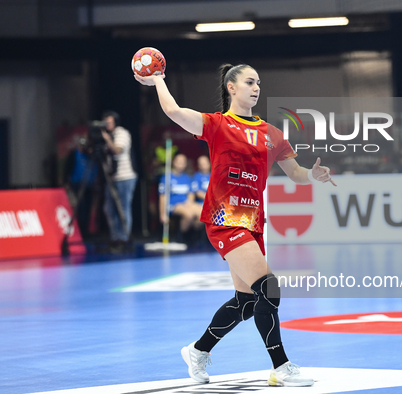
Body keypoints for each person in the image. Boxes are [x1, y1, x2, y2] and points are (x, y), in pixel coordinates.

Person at [135, 63, 335, 387]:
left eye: (259, 82)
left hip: (254, 222)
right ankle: (281, 366)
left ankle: (198, 351)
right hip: (224, 219)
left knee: (246, 303)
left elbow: (296, 173)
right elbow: (172, 110)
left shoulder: (271, 133)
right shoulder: (216, 125)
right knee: (269, 289)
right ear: (231, 87)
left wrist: (314, 175)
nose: (256, 88)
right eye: (249, 82)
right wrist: (158, 80)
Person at [101, 110, 138, 248]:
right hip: (112, 177)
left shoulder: (122, 133)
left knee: (123, 208)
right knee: (109, 208)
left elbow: (117, 150)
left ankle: (124, 238)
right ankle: (115, 237)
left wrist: (107, 139)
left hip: (125, 176)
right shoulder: (106, 135)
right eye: (105, 122)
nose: (107, 125)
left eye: (109, 122)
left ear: (115, 122)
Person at [159, 153, 199, 239]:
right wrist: (162, 214)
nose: (181, 164)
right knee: (189, 214)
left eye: (183, 162)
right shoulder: (166, 177)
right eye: (179, 162)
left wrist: (189, 202)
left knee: (203, 213)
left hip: (186, 203)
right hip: (173, 205)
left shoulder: (187, 178)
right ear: (174, 162)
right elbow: (162, 197)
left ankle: (194, 236)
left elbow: (191, 194)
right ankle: (180, 237)